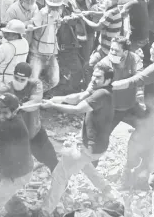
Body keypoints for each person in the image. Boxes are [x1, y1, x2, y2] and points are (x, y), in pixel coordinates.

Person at [39, 64, 117, 215]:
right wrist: (55, 99)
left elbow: (77, 109)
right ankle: (110, 193)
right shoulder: (97, 89)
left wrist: (53, 105)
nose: (94, 79)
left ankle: (44, 212)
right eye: (93, 75)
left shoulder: (102, 94)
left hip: (90, 147)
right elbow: (78, 97)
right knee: (86, 167)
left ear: (108, 80)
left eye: (98, 77)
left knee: (60, 174)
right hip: (96, 146)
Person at [112, 36, 154, 187]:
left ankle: (128, 175)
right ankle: (151, 163)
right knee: (146, 133)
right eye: (152, 48)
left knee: (137, 138)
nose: (151, 51)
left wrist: (113, 85)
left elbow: (137, 80)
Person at [96, 36, 145, 186]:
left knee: (147, 127)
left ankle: (132, 166)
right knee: (99, 139)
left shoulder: (134, 59)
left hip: (130, 106)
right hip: (112, 109)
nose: (111, 52)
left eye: (116, 50)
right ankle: (89, 169)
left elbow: (141, 77)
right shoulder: (104, 64)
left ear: (125, 52)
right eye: (111, 49)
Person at [0, 62, 58, 172]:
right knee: (13, 168)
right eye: (16, 78)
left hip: (34, 132)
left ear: (28, 79)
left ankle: (61, 183)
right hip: (16, 137)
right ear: (13, 75)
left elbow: (35, 102)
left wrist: (19, 106)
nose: (19, 81)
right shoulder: (5, 89)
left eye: (22, 79)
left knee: (51, 159)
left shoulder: (35, 84)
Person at [26, 0, 64, 93]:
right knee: (32, 80)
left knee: (54, 80)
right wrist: (30, 26)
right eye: (52, 6)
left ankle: (37, 93)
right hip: (37, 53)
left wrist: (58, 24)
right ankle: (29, 96)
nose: (54, 8)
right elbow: (32, 23)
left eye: (57, 7)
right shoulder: (42, 13)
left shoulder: (58, 14)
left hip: (51, 54)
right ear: (47, 4)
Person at [79, 0, 122, 67]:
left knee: (89, 66)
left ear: (116, 0)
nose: (107, 0)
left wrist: (83, 18)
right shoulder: (115, 9)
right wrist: (90, 12)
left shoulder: (111, 13)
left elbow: (97, 27)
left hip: (107, 49)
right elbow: (103, 14)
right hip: (107, 46)